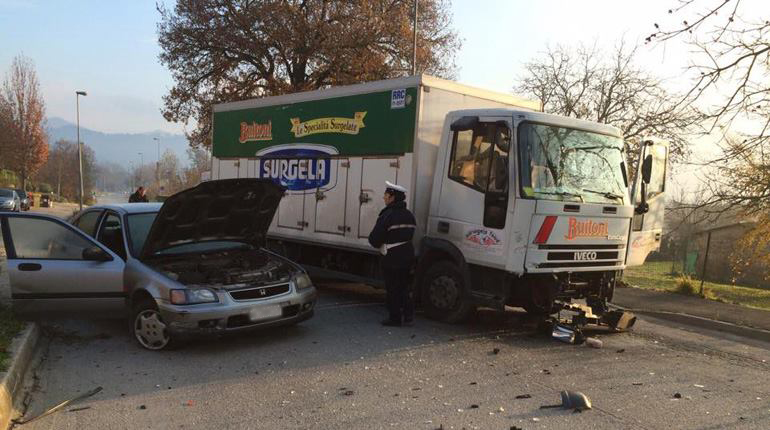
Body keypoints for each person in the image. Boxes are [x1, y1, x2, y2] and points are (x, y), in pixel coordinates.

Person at [368, 181, 417, 327]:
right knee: (403, 287)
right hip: (407, 255)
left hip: (392, 257)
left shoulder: (387, 215)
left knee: (393, 288)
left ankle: (395, 318)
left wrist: (378, 244)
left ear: (392, 198)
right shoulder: (409, 215)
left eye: (386, 195)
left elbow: (375, 239)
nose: (384, 198)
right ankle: (408, 315)